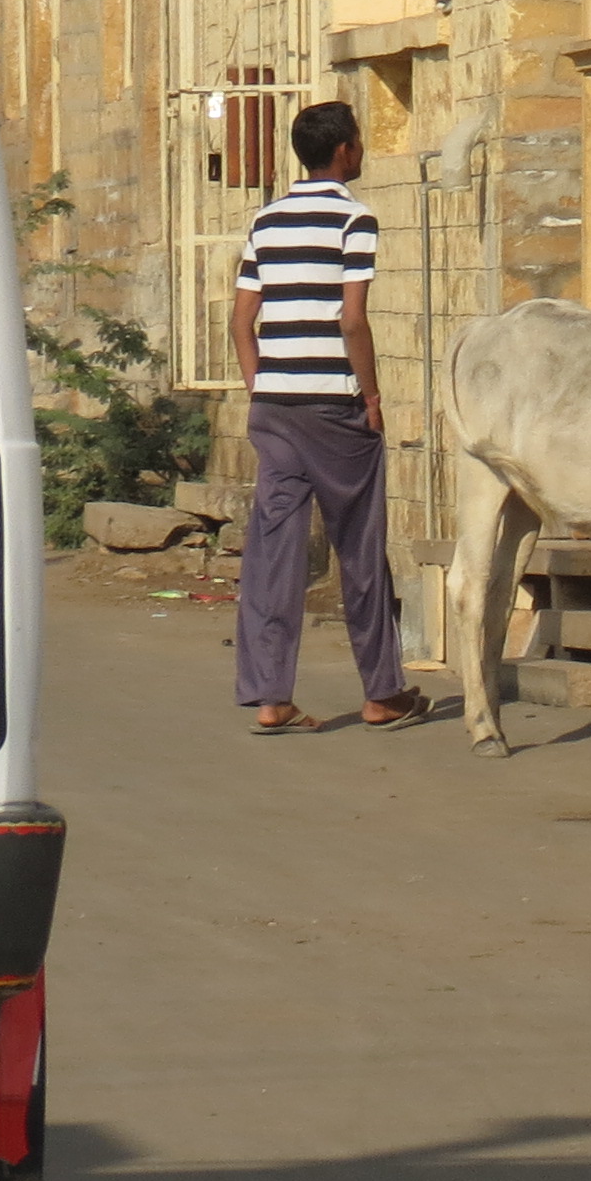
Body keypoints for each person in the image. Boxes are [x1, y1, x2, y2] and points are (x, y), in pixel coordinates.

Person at [229, 101, 422, 735]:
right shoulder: (354, 219)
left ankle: (269, 697)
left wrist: (263, 388)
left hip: (274, 408)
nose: (362, 150)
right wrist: (370, 397)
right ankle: (381, 692)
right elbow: (352, 319)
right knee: (360, 550)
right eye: (359, 141)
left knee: (274, 552)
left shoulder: (265, 220)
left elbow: (241, 322)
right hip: (334, 409)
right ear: (343, 151)